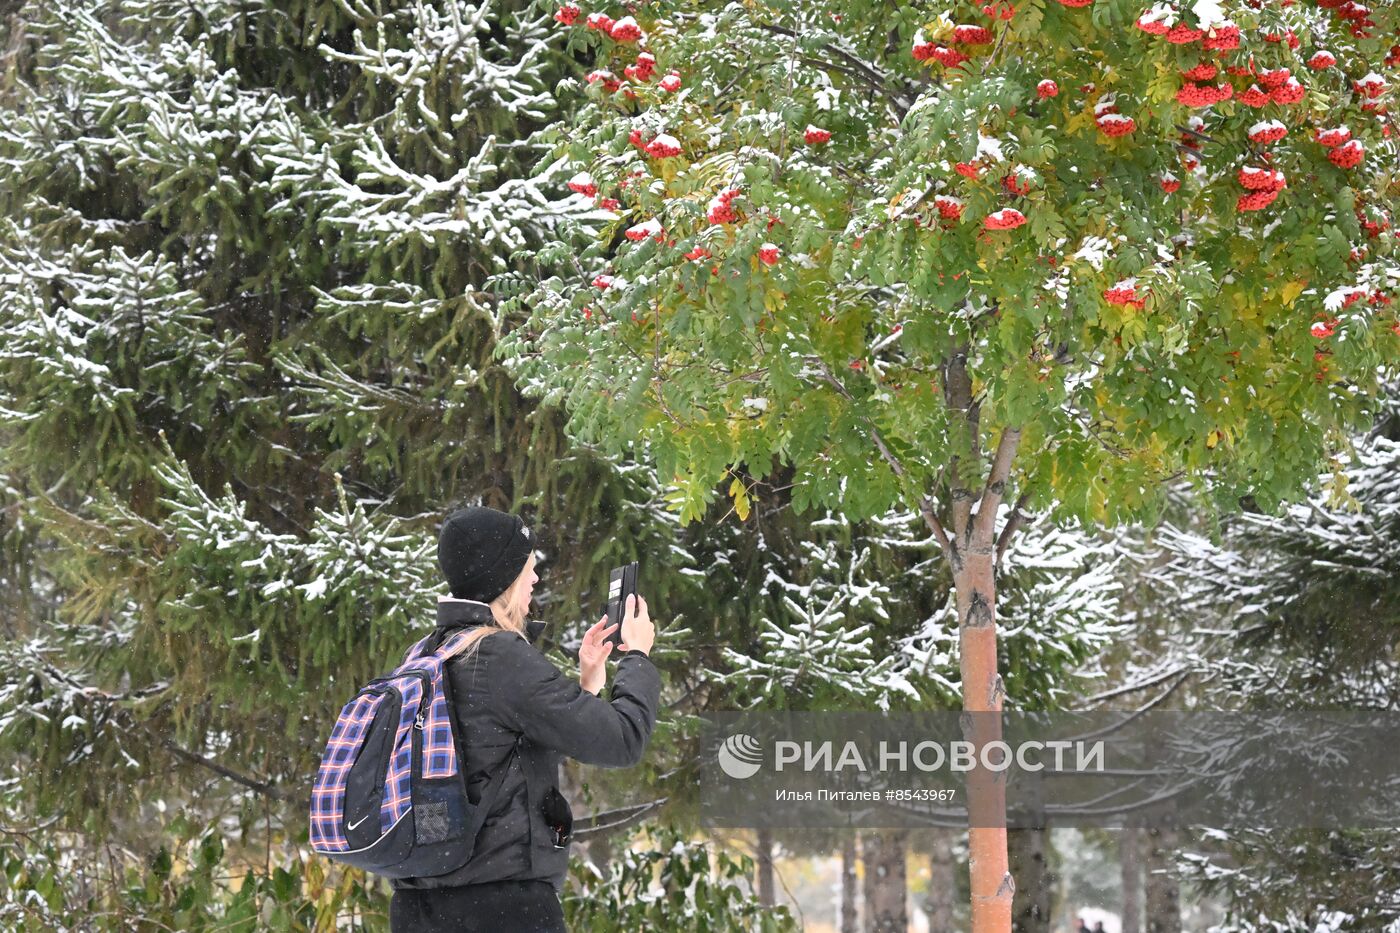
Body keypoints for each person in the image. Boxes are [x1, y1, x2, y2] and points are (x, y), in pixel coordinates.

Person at [388, 505, 660, 932]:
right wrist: (638, 656)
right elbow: (623, 740)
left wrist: (587, 684)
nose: (534, 578)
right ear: (504, 578)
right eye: (527, 567)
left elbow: (495, 755)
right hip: (502, 910)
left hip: (417, 906)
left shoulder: (425, 654)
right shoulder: (498, 656)